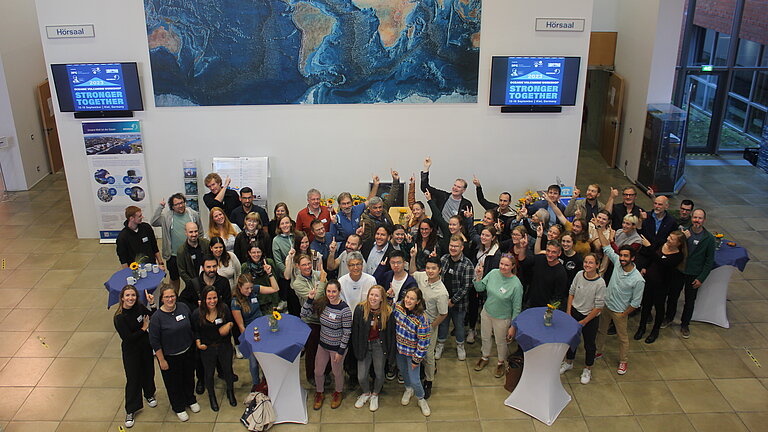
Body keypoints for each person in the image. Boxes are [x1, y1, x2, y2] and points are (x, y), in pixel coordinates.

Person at [593, 223, 645, 375]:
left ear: (632, 258)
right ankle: (599, 351)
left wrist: (623, 314)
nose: (622, 259)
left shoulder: (638, 280)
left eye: (625, 256)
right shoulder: (617, 263)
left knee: (623, 339)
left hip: (620, 311)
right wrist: (598, 229)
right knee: (601, 331)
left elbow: (636, 302)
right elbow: (606, 247)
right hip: (606, 306)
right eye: (621, 255)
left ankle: (623, 361)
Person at [149, 285, 200, 422]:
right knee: (174, 383)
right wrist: (161, 360)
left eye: (172, 296)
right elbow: (155, 342)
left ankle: (190, 399)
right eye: (167, 297)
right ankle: (178, 407)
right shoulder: (157, 318)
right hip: (170, 357)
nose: (170, 299)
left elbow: (192, 327)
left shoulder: (183, 307)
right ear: (162, 299)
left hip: (187, 351)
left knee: (189, 378)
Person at [302, 280, 353, 410]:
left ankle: (338, 392)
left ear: (339, 291)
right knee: (318, 372)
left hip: (337, 348)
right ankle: (319, 393)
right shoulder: (323, 304)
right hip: (323, 345)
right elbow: (304, 314)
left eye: (334, 291)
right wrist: (309, 299)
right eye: (328, 291)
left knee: (337, 372)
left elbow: (347, 332)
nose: (331, 294)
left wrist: (340, 351)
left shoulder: (345, 310)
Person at [473, 254, 523, 378]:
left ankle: (501, 362)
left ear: (512, 266)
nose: (503, 267)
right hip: (487, 312)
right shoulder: (493, 273)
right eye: (501, 264)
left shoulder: (516, 285)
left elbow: (517, 308)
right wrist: (478, 276)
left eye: (506, 265)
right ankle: (485, 356)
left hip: (502, 318)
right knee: (485, 336)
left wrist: (513, 326)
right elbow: (479, 288)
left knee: (500, 342)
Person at [114, 285, 156, 428]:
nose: (130, 298)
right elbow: (128, 338)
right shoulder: (119, 317)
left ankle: (149, 394)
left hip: (145, 347)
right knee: (133, 379)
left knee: (148, 371)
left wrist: (152, 304)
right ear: (122, 298)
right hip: (131, 351)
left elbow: (153, 317)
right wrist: (144, 328)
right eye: (127, 295)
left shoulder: (139, 308)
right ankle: (131, 409)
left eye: (133, 295)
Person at [560, 253, 604, 384]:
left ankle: (587, 368)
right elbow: (571, 292)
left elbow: (598, 307)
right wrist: (569, 312)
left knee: (589, 345)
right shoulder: (579, 275)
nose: (587, 265)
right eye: (586, 262)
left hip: (589, 318)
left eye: (591, 263)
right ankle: (569, 362)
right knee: (571, 340)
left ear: (597, 265)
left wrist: (584, 322)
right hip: (574, 313)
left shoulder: (600, 283)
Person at [635, 231, 686, 343]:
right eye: (669, 236)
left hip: (662, 285)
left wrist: (649, 247)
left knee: (659, 307)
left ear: (678, 243)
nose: (668, 239)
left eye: (672, 239)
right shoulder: (662, 244)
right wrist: (645, 266)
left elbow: (662, 262)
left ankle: (655, 331)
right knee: (646, 305)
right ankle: (641, 327)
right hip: (649, 281)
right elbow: (652, 258)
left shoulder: (678, 256)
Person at [191, 286, 237, 411]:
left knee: (228, 370)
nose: (212, 301)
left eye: (215, 298)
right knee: (209, 373)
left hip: (224, 345)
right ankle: (212, 396)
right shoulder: (197, 313)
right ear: (204, 299)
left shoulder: (224, 309)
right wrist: (198, 342)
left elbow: (231, 321)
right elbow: (195, 331)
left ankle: (230, 392)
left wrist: (229, 325)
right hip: (207, 348)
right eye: (209, 298)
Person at [232, 273, 280, 391]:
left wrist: (269, 274)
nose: (249, 291)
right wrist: (250, 341)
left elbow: (275, 288)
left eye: (251, 288)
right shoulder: (235, 303)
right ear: (239, 287)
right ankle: (256, 384)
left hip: (263, 328)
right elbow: (241, 326)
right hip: (251, 334)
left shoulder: (254, 290)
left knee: (265, 358)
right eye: (246, 288)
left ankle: (266, 380)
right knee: (254, 363)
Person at [409, 256, 448, 399]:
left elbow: (443, 314)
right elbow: (413, 271)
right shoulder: (422, 277)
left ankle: (429, 380)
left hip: (429, 326)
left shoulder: (442, 292)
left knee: (428, 355)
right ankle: (419, 372)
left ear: (440, 270)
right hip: (414, 323)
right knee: (415, 350)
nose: (430, 271)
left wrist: (431, 327)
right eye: (428, 268)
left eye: (434, 268)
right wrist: (413, 257)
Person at [351, 285, 394, 412]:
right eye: (371, 294)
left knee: (379, 374)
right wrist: (357, 349)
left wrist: (390, 354)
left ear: (382, 298)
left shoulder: (388, 312)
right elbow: (356, 331)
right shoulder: (360, 309)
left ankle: (375, 394)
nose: (373, 298)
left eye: (376, 295)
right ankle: (366, 393)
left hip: (379, 346)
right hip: (364, 345)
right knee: (361, 376)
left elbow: (390, 335)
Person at [393, 287, 432, 416]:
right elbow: (388, 308)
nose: (408, 300)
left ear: (418, 301)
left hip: (412, 354)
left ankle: (421, 398)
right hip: (400, 350)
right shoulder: (398, 307)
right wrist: (388, 297)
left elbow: (424, 342)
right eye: (407, 297)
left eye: (412, 299)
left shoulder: (422, 318)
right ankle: (408, 389)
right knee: (403, 371)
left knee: (415, 379)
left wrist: (416, 359)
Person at [151, 193, 202, 292]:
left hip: (191, 253)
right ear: (172, 207)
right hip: (173, 255)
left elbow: (200, 231)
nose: (180, 206)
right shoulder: (167, 217)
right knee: (174, 279)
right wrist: (160, 207)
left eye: (182, 202)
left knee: (194, 277)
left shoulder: (193, 214)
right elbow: (153, 221)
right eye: (177, 204)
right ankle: (173, 298)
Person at [677, 209, 715, 338]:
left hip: (694, 274)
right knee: (672, 296)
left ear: (704, 220)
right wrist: (683, 238)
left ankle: (685, 324)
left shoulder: (709, 238)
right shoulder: (684, 232)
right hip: (680, 270)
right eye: (695, 218)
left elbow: (709, 261)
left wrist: (701, 278)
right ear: (691, 218)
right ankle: (668, 318)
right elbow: (674, 247)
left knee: (690, 300)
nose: (697, 221)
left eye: (700, 218)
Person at [436, 235, 474, 361]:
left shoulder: (467, 264)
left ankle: (460, 346)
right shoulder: (444, 259)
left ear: (462, 247)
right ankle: (440, 345)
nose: (453, 248)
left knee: (459, 326)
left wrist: (453, 300)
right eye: (451, 246)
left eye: (456, 246)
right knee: (443, 326)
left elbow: (466, 286)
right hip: (443, 302)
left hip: (459, 304)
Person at [291, 254, 328, 384]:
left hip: (324, 317)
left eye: (308, 264)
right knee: (312, 349)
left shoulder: (317, 274)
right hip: (310, 320)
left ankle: (326, 373)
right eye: (303, 265)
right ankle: (311, 375)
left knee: (326, 347)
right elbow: (316, 299)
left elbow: (327, 292)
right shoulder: (297, 283)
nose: (307, 267)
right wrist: (322, 282)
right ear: (298, 266)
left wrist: (322, 283)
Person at [420, 156, 473, 223]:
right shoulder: (443, 196)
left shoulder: (466, 204)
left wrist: (468, 218)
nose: (455, 188)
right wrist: (426, 168)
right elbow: (424, 187)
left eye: (458, 187)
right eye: (454, 185)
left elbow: (468, 225)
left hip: (455, 232)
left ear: (463, 190)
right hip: (437, 231)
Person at [524, 240, 568, 309]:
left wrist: (550, 311)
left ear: (559, 253)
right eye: (548, 251)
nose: (550, 254)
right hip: (530, 302)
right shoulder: (539, 259)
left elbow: (558, 297)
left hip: (545, 308)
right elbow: (524, 263)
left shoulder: (561, 273)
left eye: (554, 252)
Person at [637, 195, 678, 269]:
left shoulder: (671, 222)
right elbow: (638, 232)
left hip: (658, 256)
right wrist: (640, 220)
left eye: (660, 204)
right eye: (655, 203)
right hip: (644, 253)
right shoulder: (646, 216)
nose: (657, 206)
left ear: (666, 206)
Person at [359, 169, 400, 242]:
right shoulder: (366, 222)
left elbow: (392, 196)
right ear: (370, 208)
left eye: (380, 207)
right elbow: (367, 241)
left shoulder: (384, 210)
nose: (378, 210)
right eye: (375, 208)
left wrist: (395, 180)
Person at [241, 242, 281, 316]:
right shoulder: (245, 266)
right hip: (254, 302)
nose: (256, 255)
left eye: (258, 252)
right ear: (249, 253)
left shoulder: (269, 263)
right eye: (253, 252)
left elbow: (275, 283)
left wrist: (275, 303)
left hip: (270, 301)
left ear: (262, 252)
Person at [272, 215, 298, 314]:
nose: (285, 225)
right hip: (285, 276)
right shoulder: (276, 240)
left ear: (291, 223)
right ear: (279, 226)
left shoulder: (296, 236)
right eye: (282, 223)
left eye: (287, 222)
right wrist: (287, 273)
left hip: (299, 273)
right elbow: (278, 261)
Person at [176, 222, 210, 288]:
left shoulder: (206, 244)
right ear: (186, 233)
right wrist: (192, 283)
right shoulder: (181, 251)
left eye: (196, 231)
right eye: (191, 232)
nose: (194, 234)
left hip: (208, 280)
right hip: (192, 283)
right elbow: (182, 271)